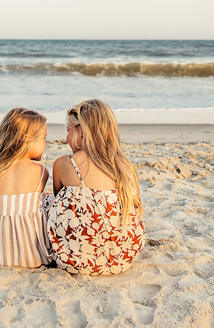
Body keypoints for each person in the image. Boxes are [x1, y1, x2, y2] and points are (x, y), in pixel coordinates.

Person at [47, 99, 145, 275]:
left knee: (46, 201)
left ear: (82, 132)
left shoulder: (64, 164)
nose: (66, 138)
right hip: (123, 257)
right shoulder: (125, 167)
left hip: (75, 260)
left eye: (68, 131)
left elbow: (59, 207)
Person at [0, 107, 52, 268]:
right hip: (33, 256)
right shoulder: (41, 172)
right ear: (27, 140)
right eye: (43, 138)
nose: (45, 144)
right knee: (48, 200)